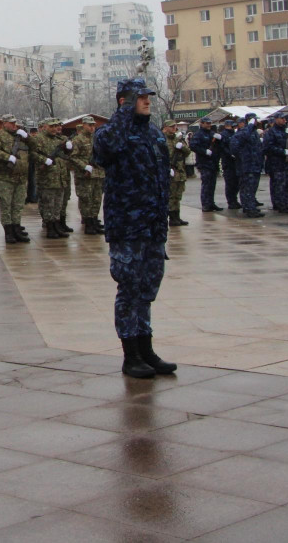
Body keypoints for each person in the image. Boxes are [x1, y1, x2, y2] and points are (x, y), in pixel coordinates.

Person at [92, 78, 174, 380]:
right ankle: (131, 355)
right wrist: (124, 114)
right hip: (127, 226)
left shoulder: (153, 133)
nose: (147, 101)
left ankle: (146, 349)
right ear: (124, 102)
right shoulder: (111, 133)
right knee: (129, 289)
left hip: (153, 226)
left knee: (147, 290)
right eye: (140, 97)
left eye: (148, 96)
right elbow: (105, 151)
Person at [0, 114, 33, 243]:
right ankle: (8, 232)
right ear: (4, 123)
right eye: (11, 123)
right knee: (6, 206)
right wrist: (8, 157)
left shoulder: (20, 136)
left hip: (20, 178)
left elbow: (35, 146)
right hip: (5, 178)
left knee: (18, 206)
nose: (14, 125)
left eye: (15, 123)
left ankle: (17, 230)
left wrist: (27, 137)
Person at [29, 118, 71, 239]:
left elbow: (65, 156)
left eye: (55, 126)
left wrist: (68, 149)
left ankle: (57, 226)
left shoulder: (59, 139)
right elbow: (32, 153)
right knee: (48, 204)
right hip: (47, 178)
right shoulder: (38, 139)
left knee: (58, 205)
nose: (54, 129)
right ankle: (50, 228)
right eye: (51, 126)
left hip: (60, 177)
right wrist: (44, 160)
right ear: (45, 126)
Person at [70, 116, 105, 235]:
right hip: (85, 176)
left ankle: (94, 221)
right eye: (89, 125)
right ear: (84, 125)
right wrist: (84, 166)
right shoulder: (78, 140)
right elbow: (73, 157)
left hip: (98, 174)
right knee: (86, 200)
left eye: (93, 125)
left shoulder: (96, 139)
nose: (92, 127)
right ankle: (88, 223)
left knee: (97, 199)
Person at [230, 114, 265, 218]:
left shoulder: (253, 132)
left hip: (254, 165)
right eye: (255, 120)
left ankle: (250, 207)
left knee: (252, 189)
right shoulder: (243, 131)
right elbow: (235, 147)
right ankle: (249, 209)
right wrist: (249, 126)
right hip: (246, 166)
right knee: (247, 189)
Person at [189, 117, 224, 212]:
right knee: (206, 185)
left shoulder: (211, 133)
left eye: (209, 123)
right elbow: (193, 146)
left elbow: (219, 145)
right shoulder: (198, 134)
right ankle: (205, 204)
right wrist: (204, 151)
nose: (209, 125)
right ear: (202, 124)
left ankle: (211, 203)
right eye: (207, 123)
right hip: (204, 163)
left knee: (212, 185)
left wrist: (220, 139)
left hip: (213, 162)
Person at [262, 114, 288, 214]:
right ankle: (279, 205)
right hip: (276, 163)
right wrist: (282, 151)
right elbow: (268, 147)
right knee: (279, 185)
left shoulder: (286, 131)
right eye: (282, 118)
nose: (284, 120)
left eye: (285, 119)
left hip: (287, 163)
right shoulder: (271, 132)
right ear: (276, 119)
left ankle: (285, 204)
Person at [163, 121, 190, 226]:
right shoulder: (162, 139)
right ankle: (172, 218)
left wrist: (182, 147)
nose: (174, 128)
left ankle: (177, 217)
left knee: (178, 195)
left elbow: (187, 152)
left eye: (175, 126)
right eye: (172, 126)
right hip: (170, 170)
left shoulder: (178, 139)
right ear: (166, 127)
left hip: (180, 171)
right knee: (171, 196)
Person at [219, 119, 242, 209]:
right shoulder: (224, 135)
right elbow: (222, 147)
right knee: (230, 183)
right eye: (232, 126)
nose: (233, 127)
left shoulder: (234, 134)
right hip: (228, 162)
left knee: (236, 183)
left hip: (235, 162)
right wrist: (230, 154)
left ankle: (234, 200)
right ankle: (231, 201)